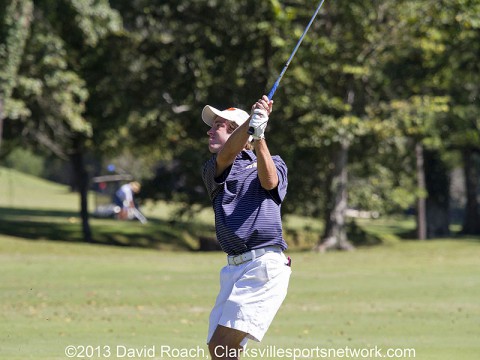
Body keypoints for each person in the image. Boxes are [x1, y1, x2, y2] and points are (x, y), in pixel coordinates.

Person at [201, 95, 291, 360]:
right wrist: (252, 123)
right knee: (219, 350)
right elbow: (229, 153)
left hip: (263, 266)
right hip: (233, 269)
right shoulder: (214, 168)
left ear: (239, 133)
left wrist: (259, 136)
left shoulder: (275, 162)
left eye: (217, 124)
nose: (209, 130)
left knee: (222, 343)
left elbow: (269, 181)